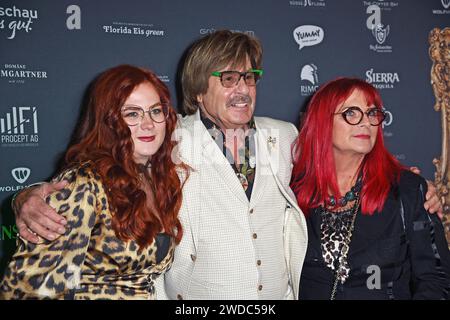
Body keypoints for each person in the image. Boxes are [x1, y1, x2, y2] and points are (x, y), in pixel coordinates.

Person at [10, 31, 443, 300]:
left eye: (249, 77)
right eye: (228, 78)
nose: (242, 89)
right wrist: (26, 198)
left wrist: (415, 186)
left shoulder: (285, 137)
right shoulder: (166, 137)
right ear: (199, 90)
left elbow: (346, 156)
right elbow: (102, 173)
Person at [0, 65, 187, 299]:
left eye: (155, 111)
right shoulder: (84, 184)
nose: (148, 123)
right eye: (132, 113)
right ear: (109, 121)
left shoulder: (154, 176)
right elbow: (26, 289)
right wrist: (23, 197)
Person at [291, 77, 450, 300]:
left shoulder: (407, 190)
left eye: (372, 113)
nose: (366, 122)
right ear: (322, 122)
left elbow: (438, 279)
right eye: (352, 113)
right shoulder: (291, 192)